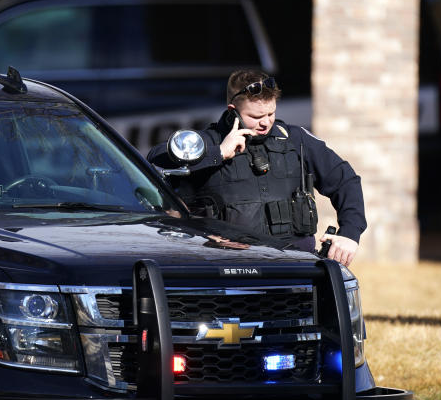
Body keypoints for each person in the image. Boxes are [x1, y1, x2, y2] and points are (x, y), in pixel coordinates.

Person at [148, 69, 366, 266]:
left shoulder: (295, 139)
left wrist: (350, 234)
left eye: (271, 114)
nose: (265, 123)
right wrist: (219, 153)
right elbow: (155, 161)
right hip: (228, 267)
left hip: (297, 265)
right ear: (232, 111)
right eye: (255, 116)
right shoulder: (207, 143)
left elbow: (345, 180)